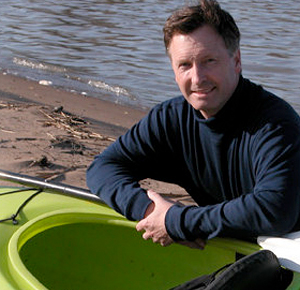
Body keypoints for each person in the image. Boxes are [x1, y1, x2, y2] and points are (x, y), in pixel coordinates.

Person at [87, 0, 300, 249]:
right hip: (237, 245)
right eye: (185, 65)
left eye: (209, 61)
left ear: (237, 61)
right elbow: (102, 167)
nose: (197, 78)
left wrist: (179, 221)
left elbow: (274, 210)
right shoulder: (171, 119)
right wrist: (151, 210)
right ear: (174, 70)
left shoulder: (276, 125)